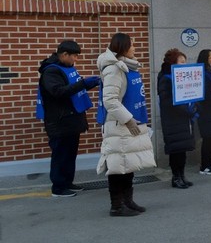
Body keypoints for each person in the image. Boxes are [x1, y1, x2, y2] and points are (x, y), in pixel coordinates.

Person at [96, 33, 156, 216]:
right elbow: (110, 100)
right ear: (123, 47)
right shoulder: (114, 69)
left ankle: (128, 201)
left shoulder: (126, 67)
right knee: (117, 167)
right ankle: (117, 206)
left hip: (128, 124)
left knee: (128, 164)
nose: (135, 48)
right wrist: (128, 120)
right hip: (119, 125)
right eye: (132, 45)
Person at [37, 40, 100, 198]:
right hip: (59, 121)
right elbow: (58, 91)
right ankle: (58, 187)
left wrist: (88, 84)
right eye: (74, 56)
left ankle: (68, 182)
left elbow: (74, 87)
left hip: (71, 120)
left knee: (70, 153)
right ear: (64, 55)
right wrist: (83, 84)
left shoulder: (67, 68)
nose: (76, 60)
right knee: (61, 154)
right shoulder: (51, 71)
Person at [157, 48, 196, 189]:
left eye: (185, 62)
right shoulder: (165, 78)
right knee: (175, 151)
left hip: (183, 119)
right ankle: (176, 177)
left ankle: (182, 175)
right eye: (182, 62)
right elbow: (168, 101)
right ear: (173, 63)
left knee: (182, 150)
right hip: (172, 120)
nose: (184, 65)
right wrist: (187, 110)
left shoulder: (182, 77)